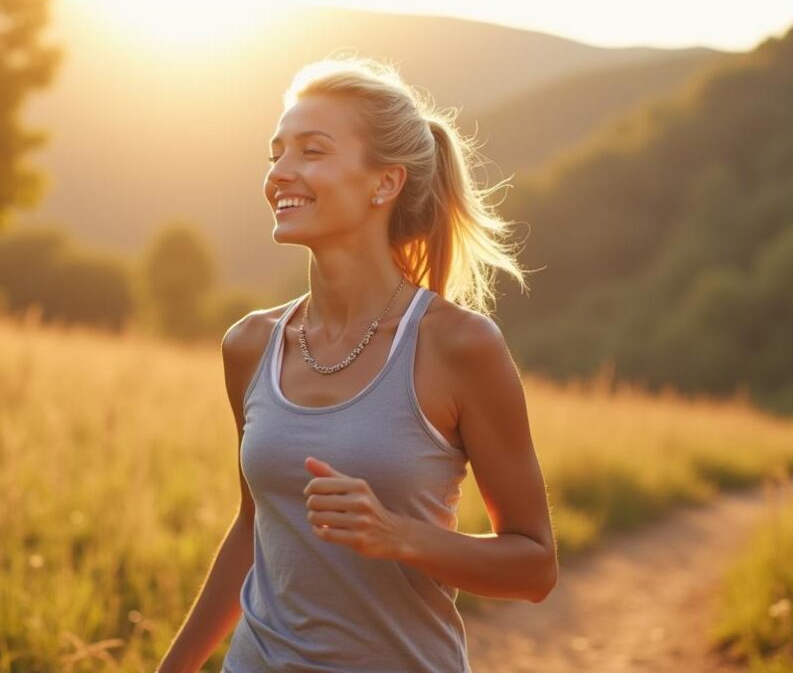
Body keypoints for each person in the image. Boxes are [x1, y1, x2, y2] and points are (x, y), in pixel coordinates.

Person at [158, 55, 557, 673]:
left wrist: (400, 537)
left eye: (311, 151)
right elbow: (253, 530)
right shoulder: (249, 345)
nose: (280, 174)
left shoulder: (459, 346)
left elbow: (534, 567)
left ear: (384, 183)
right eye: (276, 153)